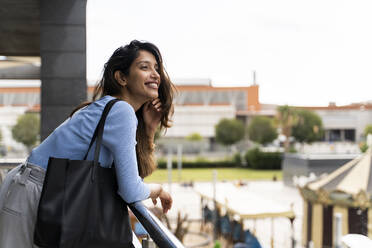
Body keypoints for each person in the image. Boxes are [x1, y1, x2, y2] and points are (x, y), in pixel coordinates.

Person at [0, 40, 175, 247]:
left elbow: (133, 175)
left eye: (157, 68)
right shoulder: (121, 111)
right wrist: (159, 190)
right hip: (36, 191)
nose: (155, 74)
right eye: (144, 67)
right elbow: (130, 190)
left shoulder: (111, 110)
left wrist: (149, 129)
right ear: (121, 77)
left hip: (42, 190)